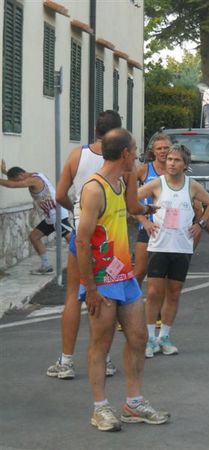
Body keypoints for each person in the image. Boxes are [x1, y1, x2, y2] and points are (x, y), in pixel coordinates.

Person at [76, 128, 169, 431]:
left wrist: (145, 209)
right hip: (102, 279)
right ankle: (100, 408)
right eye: (136, 150)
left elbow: (129, 208)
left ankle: (133, 403)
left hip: (124, 274)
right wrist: (89, 289)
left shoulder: (119, 181)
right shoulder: (94, 189)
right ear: (126, 154)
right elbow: (81, 241)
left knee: (139, 337)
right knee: (100, 342)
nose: (140, 155)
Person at [46, 110, 142, 380]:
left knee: (75, 297)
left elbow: (60, 194)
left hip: (83, 235)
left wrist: (76, 210)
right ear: (118, 134)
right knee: (108, 300)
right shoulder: (124, 164)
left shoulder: (78, 155)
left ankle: (66, 360)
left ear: (95, 130)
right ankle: (107, 359)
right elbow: (131, 204)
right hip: (111, 240)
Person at [138, 144, 209, 358]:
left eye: (177, 160)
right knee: (154, 292)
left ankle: (164, 336)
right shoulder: (157, 183)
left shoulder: (192, 186)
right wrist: (145, 221)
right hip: (159, 245)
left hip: (182, 247)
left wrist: (200, 224)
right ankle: (149, 338)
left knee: (174, 293)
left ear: (185, 164)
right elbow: (132, 201)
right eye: (170, 159)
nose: (172, 163)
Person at [0, 161, 72, 274]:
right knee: (34, 237)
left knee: (72, 240)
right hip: (50, 218)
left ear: (21, 175)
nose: (20, 182)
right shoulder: (36, 174)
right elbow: (14, 179)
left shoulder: (34, 180)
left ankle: (87, 263)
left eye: (17, 179)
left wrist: (6, 178)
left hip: (57, 215)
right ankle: (46, 266)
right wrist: (5, 171)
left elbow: (13, 185)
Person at [134, 134, 169, 288]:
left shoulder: (176, 168)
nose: (163, 151)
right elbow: (130, 199)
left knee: (164, 276)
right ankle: (130, 304)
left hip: (170, 229)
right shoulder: (143, 170)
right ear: (153, 151)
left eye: (166, 148)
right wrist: (144, 221)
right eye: (159, 148)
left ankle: (161, 311)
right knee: (140, 271)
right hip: (148, 228)